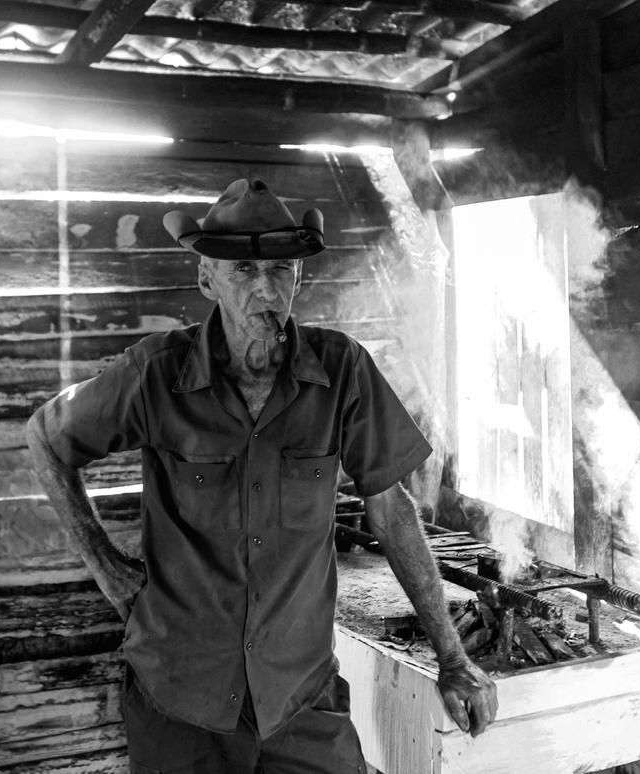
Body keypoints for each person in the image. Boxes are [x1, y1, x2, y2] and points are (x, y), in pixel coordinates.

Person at [27, 178, 497, 773]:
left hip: (299, 699)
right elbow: (46, 437)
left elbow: (391, 510)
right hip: (182, 701)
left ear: (299, 276)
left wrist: (452, 657)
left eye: (279, 269)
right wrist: (108, 569)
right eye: (244, 271)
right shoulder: (155, 373)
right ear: (207, 279)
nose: (266, 289)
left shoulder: (342, 370)